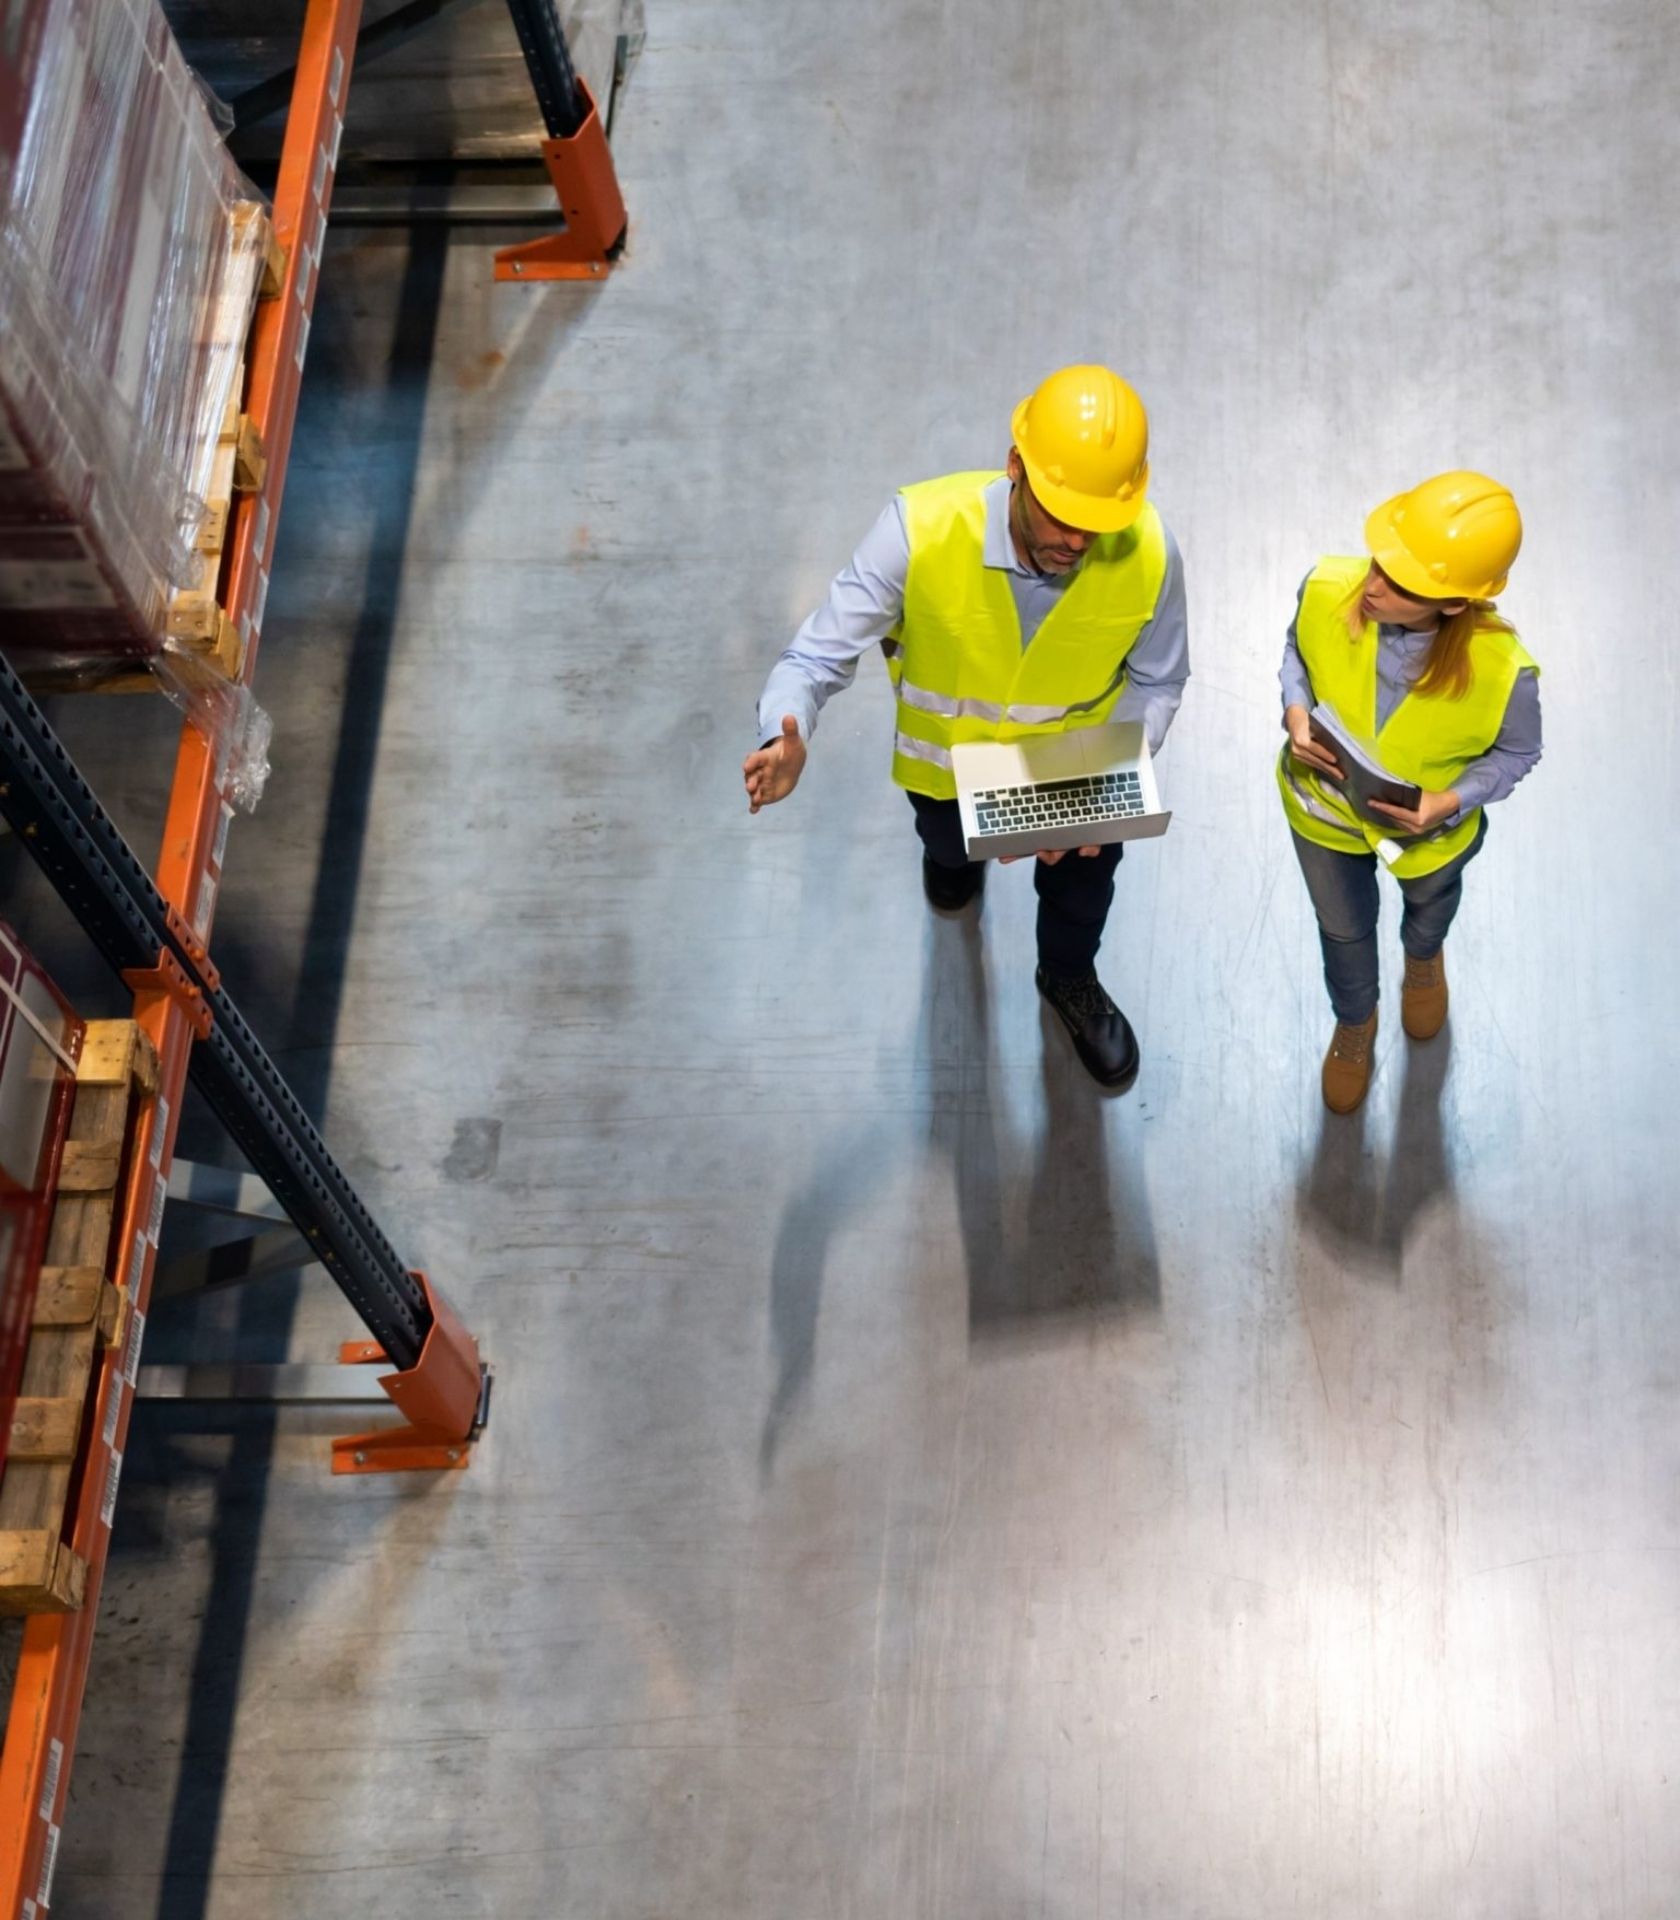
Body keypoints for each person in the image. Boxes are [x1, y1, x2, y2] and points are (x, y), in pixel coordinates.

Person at [743, 365, 1189, 1087]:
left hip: (1073, 778)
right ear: (1015, 467)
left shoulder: (1151, 554)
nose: (1077, 542)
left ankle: (1069, 978)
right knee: (949, 854)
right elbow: (818, 652)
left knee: (1083, 890)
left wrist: (1095, 780)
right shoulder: (917, 531)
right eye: (1059, 515)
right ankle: (953, 866)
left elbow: (1158, 678)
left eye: (1097, 524)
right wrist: (784, 734)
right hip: (946, 777)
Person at [1278, 471, 1542, 1114]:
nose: (1372, 588)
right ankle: (1355, 1024)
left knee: (1430, 905)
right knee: (1342, 932)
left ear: (1453, 603)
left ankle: (1423, 957)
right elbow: (1297, 651)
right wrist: (1294, 707)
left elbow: (1517, 753)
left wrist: (1448, 803)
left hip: (1427, 840)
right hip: (1325, 813)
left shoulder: (1505, 671)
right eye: (1379, 565)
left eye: (1401, 586)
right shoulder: (1325, 587)